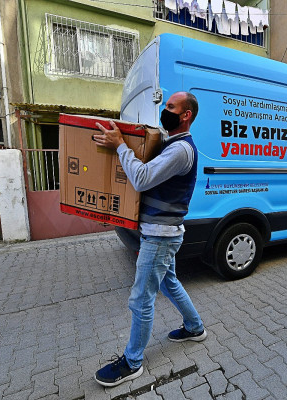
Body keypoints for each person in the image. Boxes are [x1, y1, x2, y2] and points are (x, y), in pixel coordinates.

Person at [93, 92, 206, 387]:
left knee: (141, 298)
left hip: (160, 236)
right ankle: (195, 327)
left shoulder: (181, 150)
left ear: (186, 115)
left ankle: (132, 362)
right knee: (169, 284)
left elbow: (141, 178)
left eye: (170, 107)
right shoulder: (170, 144)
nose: (164, 110)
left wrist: (120, 146)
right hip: (159, 232)